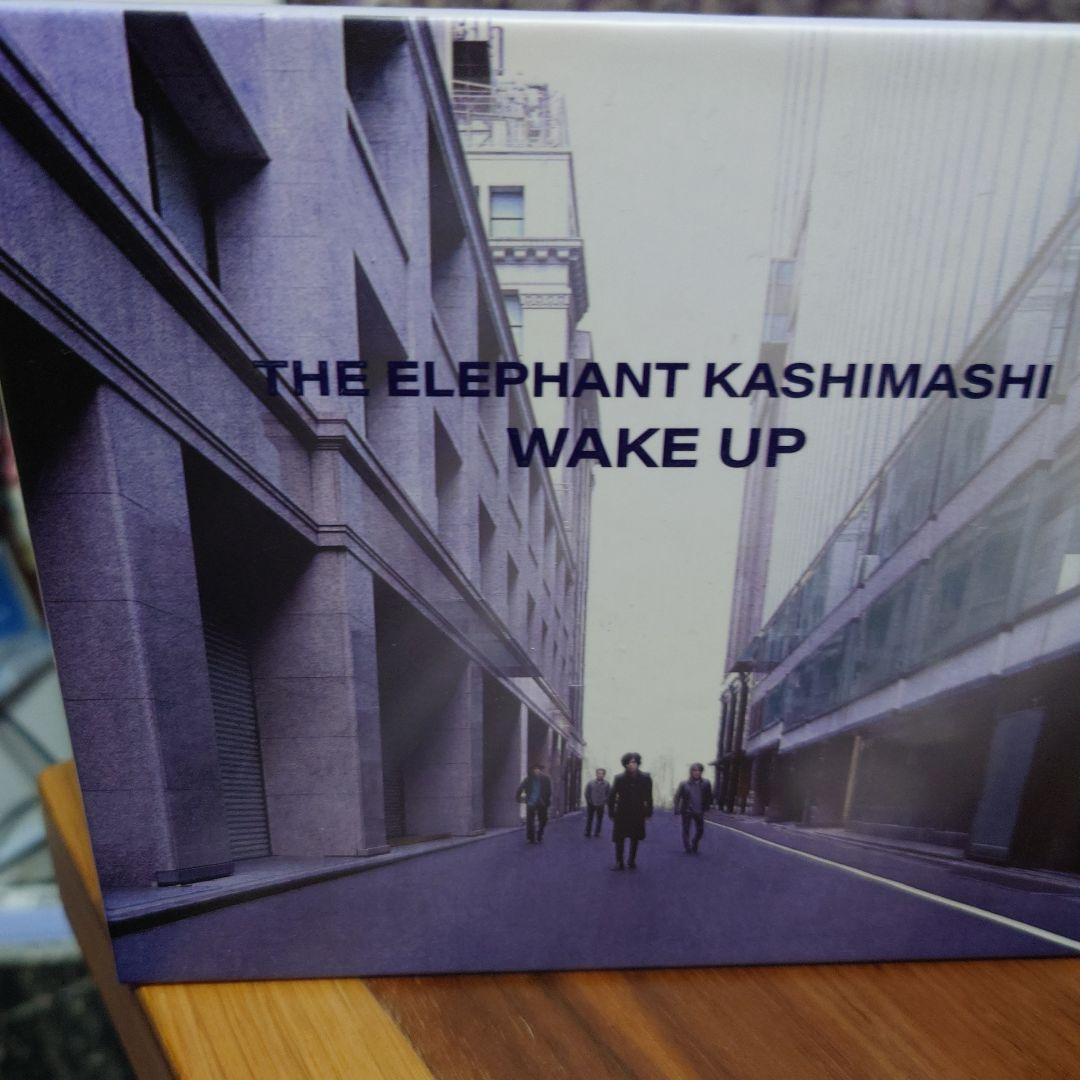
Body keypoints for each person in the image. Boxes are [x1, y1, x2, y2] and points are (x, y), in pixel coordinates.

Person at [607, 752, 653, 870]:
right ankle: (619, 862)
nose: (631, 765)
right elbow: (612, 796)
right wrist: (611, 812)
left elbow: (649, 796)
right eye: (629, 763)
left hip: (638, 812)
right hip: (622, 812)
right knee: (619, 838)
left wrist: (648, 812)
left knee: (635, 837)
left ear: (638, 763)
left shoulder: (645, 778)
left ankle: (631, 860)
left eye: (634, 762)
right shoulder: (619, 778)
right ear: (625, 764)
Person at [674, 763, 713, 854]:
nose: (697, 772)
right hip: (687, 810)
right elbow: (677, 797)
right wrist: (676, 808)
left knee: (700, 830)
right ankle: (687, 847)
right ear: (691, 772)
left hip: (699, 810)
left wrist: (707, 807)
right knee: (686, 829)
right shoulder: (684, 784)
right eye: (694, 770)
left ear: (701, 772)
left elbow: (709, 796)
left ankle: (695, 841)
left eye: (699, 770)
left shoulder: (706, 783)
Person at [516, 763, 552, 844]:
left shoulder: (546, 779)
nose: (536, 771)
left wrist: (546, 800)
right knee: (530, 820)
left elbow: (549, 791)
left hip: (542, 802)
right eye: (534, 769)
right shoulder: (528, 779)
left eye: (538, 769)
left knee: (543, 819)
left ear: (540, 770)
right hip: (531, 802)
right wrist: (518, 797)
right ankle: (531, 837)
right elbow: (521, 787)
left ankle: (540, 833)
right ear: (532, 771)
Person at [583, 767, 610, 838]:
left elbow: (608, 794)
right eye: (598, 773)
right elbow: (587, 793)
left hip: (601, 804)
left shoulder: (606, 784)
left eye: (601, 774)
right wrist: (589, 801)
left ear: (604, 775)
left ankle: (597, 832)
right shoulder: (590, 783)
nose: (600, 775)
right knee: (590, 818)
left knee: (599, 819)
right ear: (596, 774)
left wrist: (604, 801)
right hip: (591, 804)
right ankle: (588, 832)